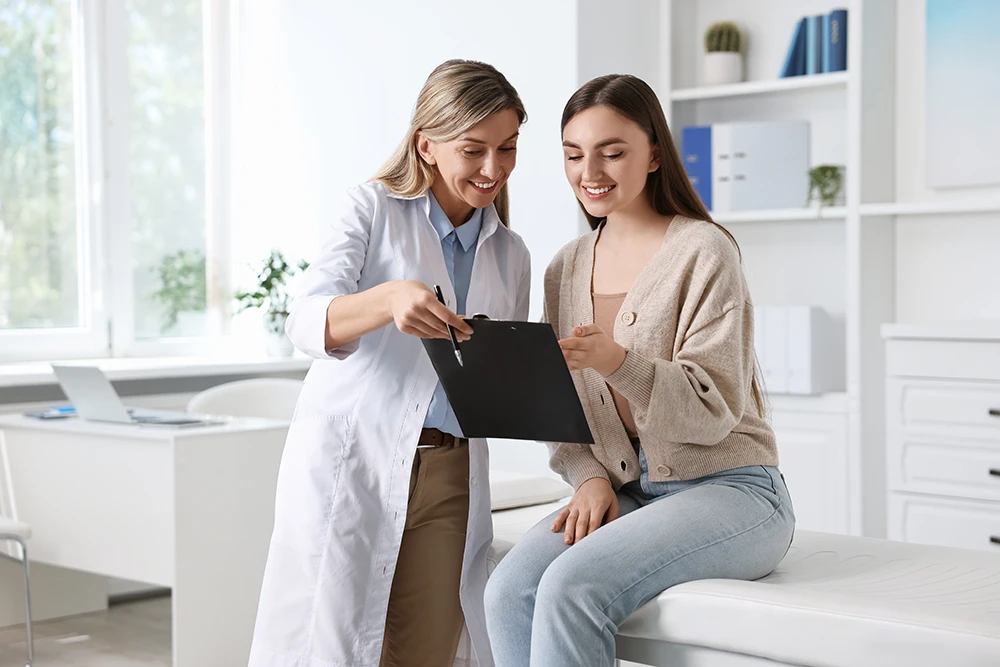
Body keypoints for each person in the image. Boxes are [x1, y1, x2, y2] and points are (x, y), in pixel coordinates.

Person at [483, 74, 794, 667]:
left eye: (612, 152)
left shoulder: (704, 250)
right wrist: (588, 478)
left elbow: (712, 409)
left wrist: (617, 362)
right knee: (508, 590)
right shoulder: (565, 267)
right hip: (627, 492)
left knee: (572, 587)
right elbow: (559, 405)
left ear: (654, 154)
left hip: (732, 490)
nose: (590, 172)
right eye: (574, 154)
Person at [248, 59, 531, 667]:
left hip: (452, 474)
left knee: (425, 652)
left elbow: (496, 386)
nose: (493, 168)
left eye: (507, 147)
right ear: (426, 146)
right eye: (473, 149)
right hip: (357, 460)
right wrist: (387, 299)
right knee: (331, 648)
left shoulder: (511, 254)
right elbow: (305, 320)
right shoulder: (371, 209)